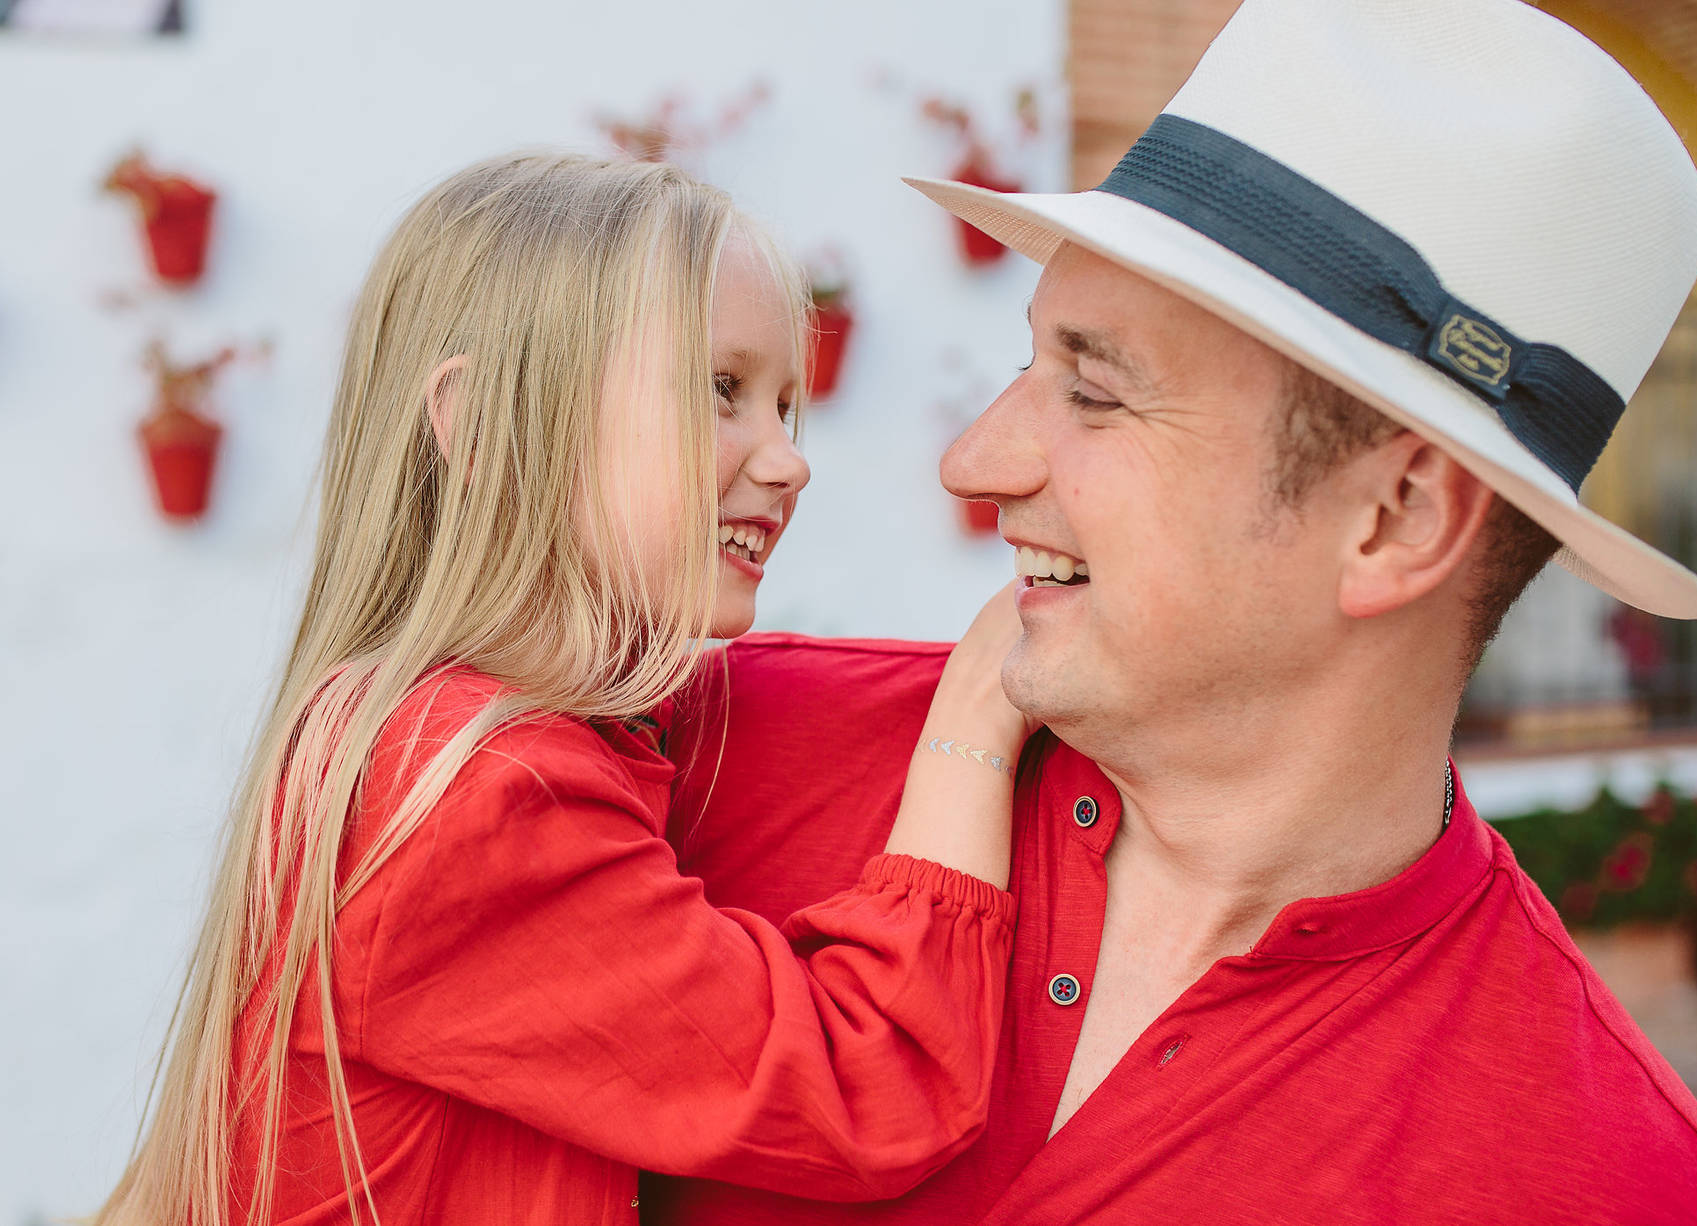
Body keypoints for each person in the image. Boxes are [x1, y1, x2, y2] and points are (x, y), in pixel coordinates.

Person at [645, 1, 1697, 1222]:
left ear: (1396, 516)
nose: (973, 460)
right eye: (1028, 365)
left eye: (1095, 389)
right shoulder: (671, 758)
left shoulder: (1607, 1180)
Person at [94, 153, 1031, 1226]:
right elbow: (866, 1091)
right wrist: (977, 722)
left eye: (786, 406)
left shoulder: (444, 729)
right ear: (488, 422)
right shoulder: (470, 787)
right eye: (720, 390)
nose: (787, 462)